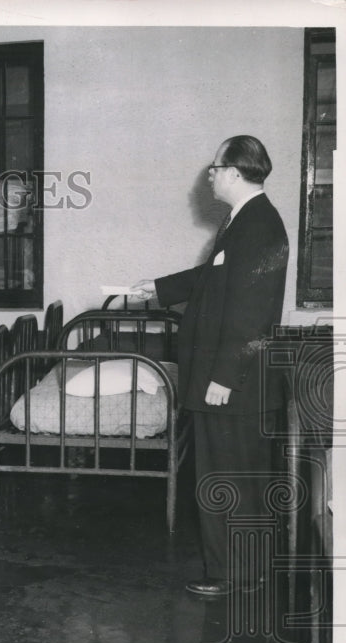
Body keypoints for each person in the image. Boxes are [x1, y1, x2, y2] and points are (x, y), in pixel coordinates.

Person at [130, 135, 288, 597]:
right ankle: (245, 570)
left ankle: (234, 576)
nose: (210, 174)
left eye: (216, 167)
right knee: (232, 475)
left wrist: (222, 377)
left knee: (228, 477)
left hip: (232, 384)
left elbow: (251, 313)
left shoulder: (258, 226)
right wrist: (157, 289)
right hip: (229, 380)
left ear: (236, 173)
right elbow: (215, 276)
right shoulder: (243, 222)